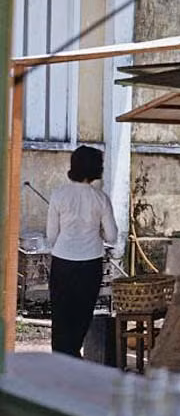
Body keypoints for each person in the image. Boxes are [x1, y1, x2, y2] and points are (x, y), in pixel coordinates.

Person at [46, 145, 118, 358]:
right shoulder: (101, 198)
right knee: (81, 317)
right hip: (90, 263)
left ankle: (61, 361)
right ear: (95, 168)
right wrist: (98, 234)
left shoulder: (59, 195)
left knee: (61, 317)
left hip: (62, 261)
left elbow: (51, 236)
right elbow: (112, 236)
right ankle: (73, 357)